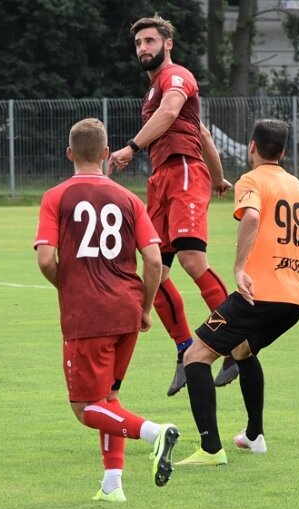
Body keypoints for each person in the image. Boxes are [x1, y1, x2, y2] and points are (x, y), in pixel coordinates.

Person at [34, 118, 179, 502]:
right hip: (127, 311)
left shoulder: (56, 196)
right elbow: (153, 261)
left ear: (69, 154)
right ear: (104, 153)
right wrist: (145, 307)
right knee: (108, 398)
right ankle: (113, 484)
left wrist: (67, 285)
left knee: (85, 408)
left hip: (88, 315)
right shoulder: (129, 199)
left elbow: (46, 259)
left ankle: (154, 432)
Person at [173, 119, 299, 465]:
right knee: (241, 349)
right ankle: (254, 436)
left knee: (195, 357)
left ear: (252, 146)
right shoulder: (298, 188)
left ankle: (210, 450)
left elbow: (251, 217)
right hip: (295, 298)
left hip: (260, 292)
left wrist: (240, 268)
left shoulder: (251, 180)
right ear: (283, 152)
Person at [107, 14, 238, 396]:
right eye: (138, 43)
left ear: (168, 44)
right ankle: (184, 349)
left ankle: (232, 338)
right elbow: (203, 132)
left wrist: (131, 147)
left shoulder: (175, 76)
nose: (143, 48)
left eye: (150, 41)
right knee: (155, 271)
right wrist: (218, 177)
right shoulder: (151, 92)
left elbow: (171, 115)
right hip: (162, 179)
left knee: (193, 260)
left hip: (182, 171)